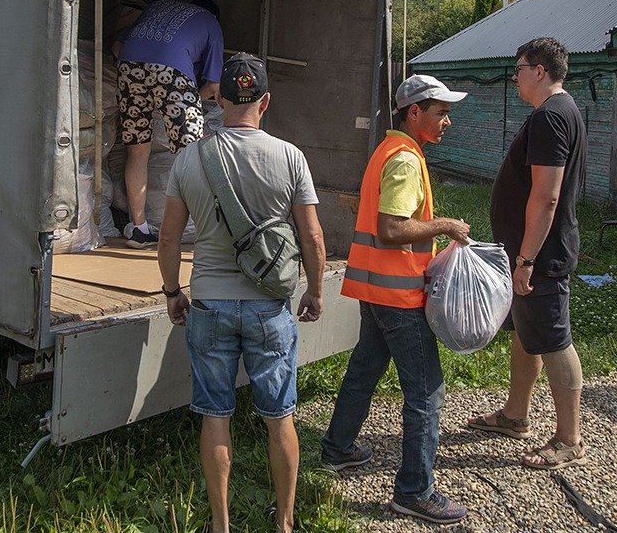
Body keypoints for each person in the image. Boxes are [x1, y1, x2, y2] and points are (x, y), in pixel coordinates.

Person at [158, 52, 325, 533]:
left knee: (215, 415)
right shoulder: (291, 157)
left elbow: (169, 238)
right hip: (269, 308)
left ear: (220, 100)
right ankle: (286, 522)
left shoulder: (190, 158)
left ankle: (221, 524)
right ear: (265, 101)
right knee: (279, 417)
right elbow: (313, 238)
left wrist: (172, 292)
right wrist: (315, 290)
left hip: (208, 305)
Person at [321, 74, 471, 525]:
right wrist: (445, 225)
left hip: (377, 292)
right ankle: (414, 491)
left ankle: (339, 448)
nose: (447, 120)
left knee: (365, 369)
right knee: (426, 393)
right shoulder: (404, 160)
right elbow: (391, 228)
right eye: (441, 112)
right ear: (415, 112)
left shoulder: (389, 151)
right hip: (399, 299)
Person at [468, 37, 589, 470]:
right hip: (533, 251)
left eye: (518, 68)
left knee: (554, 341)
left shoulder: (551, 117)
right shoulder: (559, 112)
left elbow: (547, 195)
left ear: (539, 70)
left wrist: (526, 259)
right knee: (527, 332)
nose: (515, 76)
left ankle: (569, 437)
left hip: (541, 254)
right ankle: (515, 415)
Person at [118, 0, 224, 248]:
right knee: (191, 155)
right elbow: (213, 85)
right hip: (172, 72)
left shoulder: (157, 7)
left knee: (138, 150)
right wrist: (183, 103)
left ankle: (139, 229)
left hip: (128, 66)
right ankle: (205, 233)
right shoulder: (212, 24)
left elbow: (115, 47)